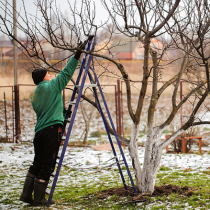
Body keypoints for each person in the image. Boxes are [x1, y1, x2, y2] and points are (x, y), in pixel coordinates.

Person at [19, 40, 87, 206]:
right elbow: (66, 73)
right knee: (47, 165)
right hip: (51, 132)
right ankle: (39, 199)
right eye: (48, 74)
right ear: (44, 77)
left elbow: (47, 110)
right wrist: (77, 54)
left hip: (40, 132)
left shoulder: (35, 96)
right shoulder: (52, 86)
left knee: (38, 162)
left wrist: (62, 113)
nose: (50, 75)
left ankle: (27, 195)